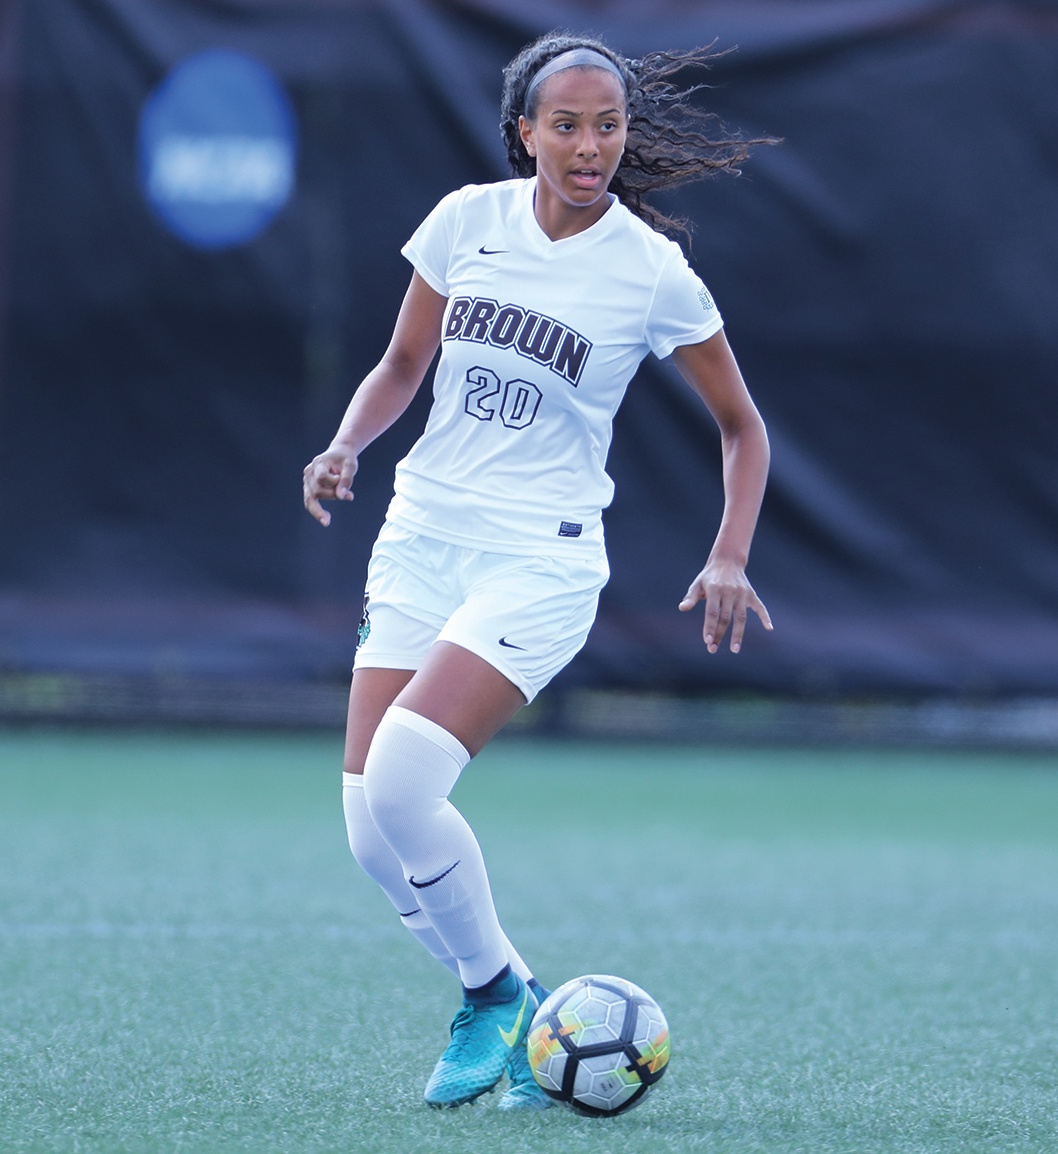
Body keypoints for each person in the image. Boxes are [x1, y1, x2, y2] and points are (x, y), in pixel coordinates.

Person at [301, 32, 774, 1111]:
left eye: (607, 125)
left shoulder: (650, 270)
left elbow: (741, 426)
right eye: (565, 124)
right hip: (422, 533)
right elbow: (402, 363)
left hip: (540, 558)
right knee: (370, 831)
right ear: (525, 132)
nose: (589, 145)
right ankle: (522, 996)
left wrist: (729, 551)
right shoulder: (466, 219)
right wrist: (346, 444)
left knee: (407, 783)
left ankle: (489, 995)